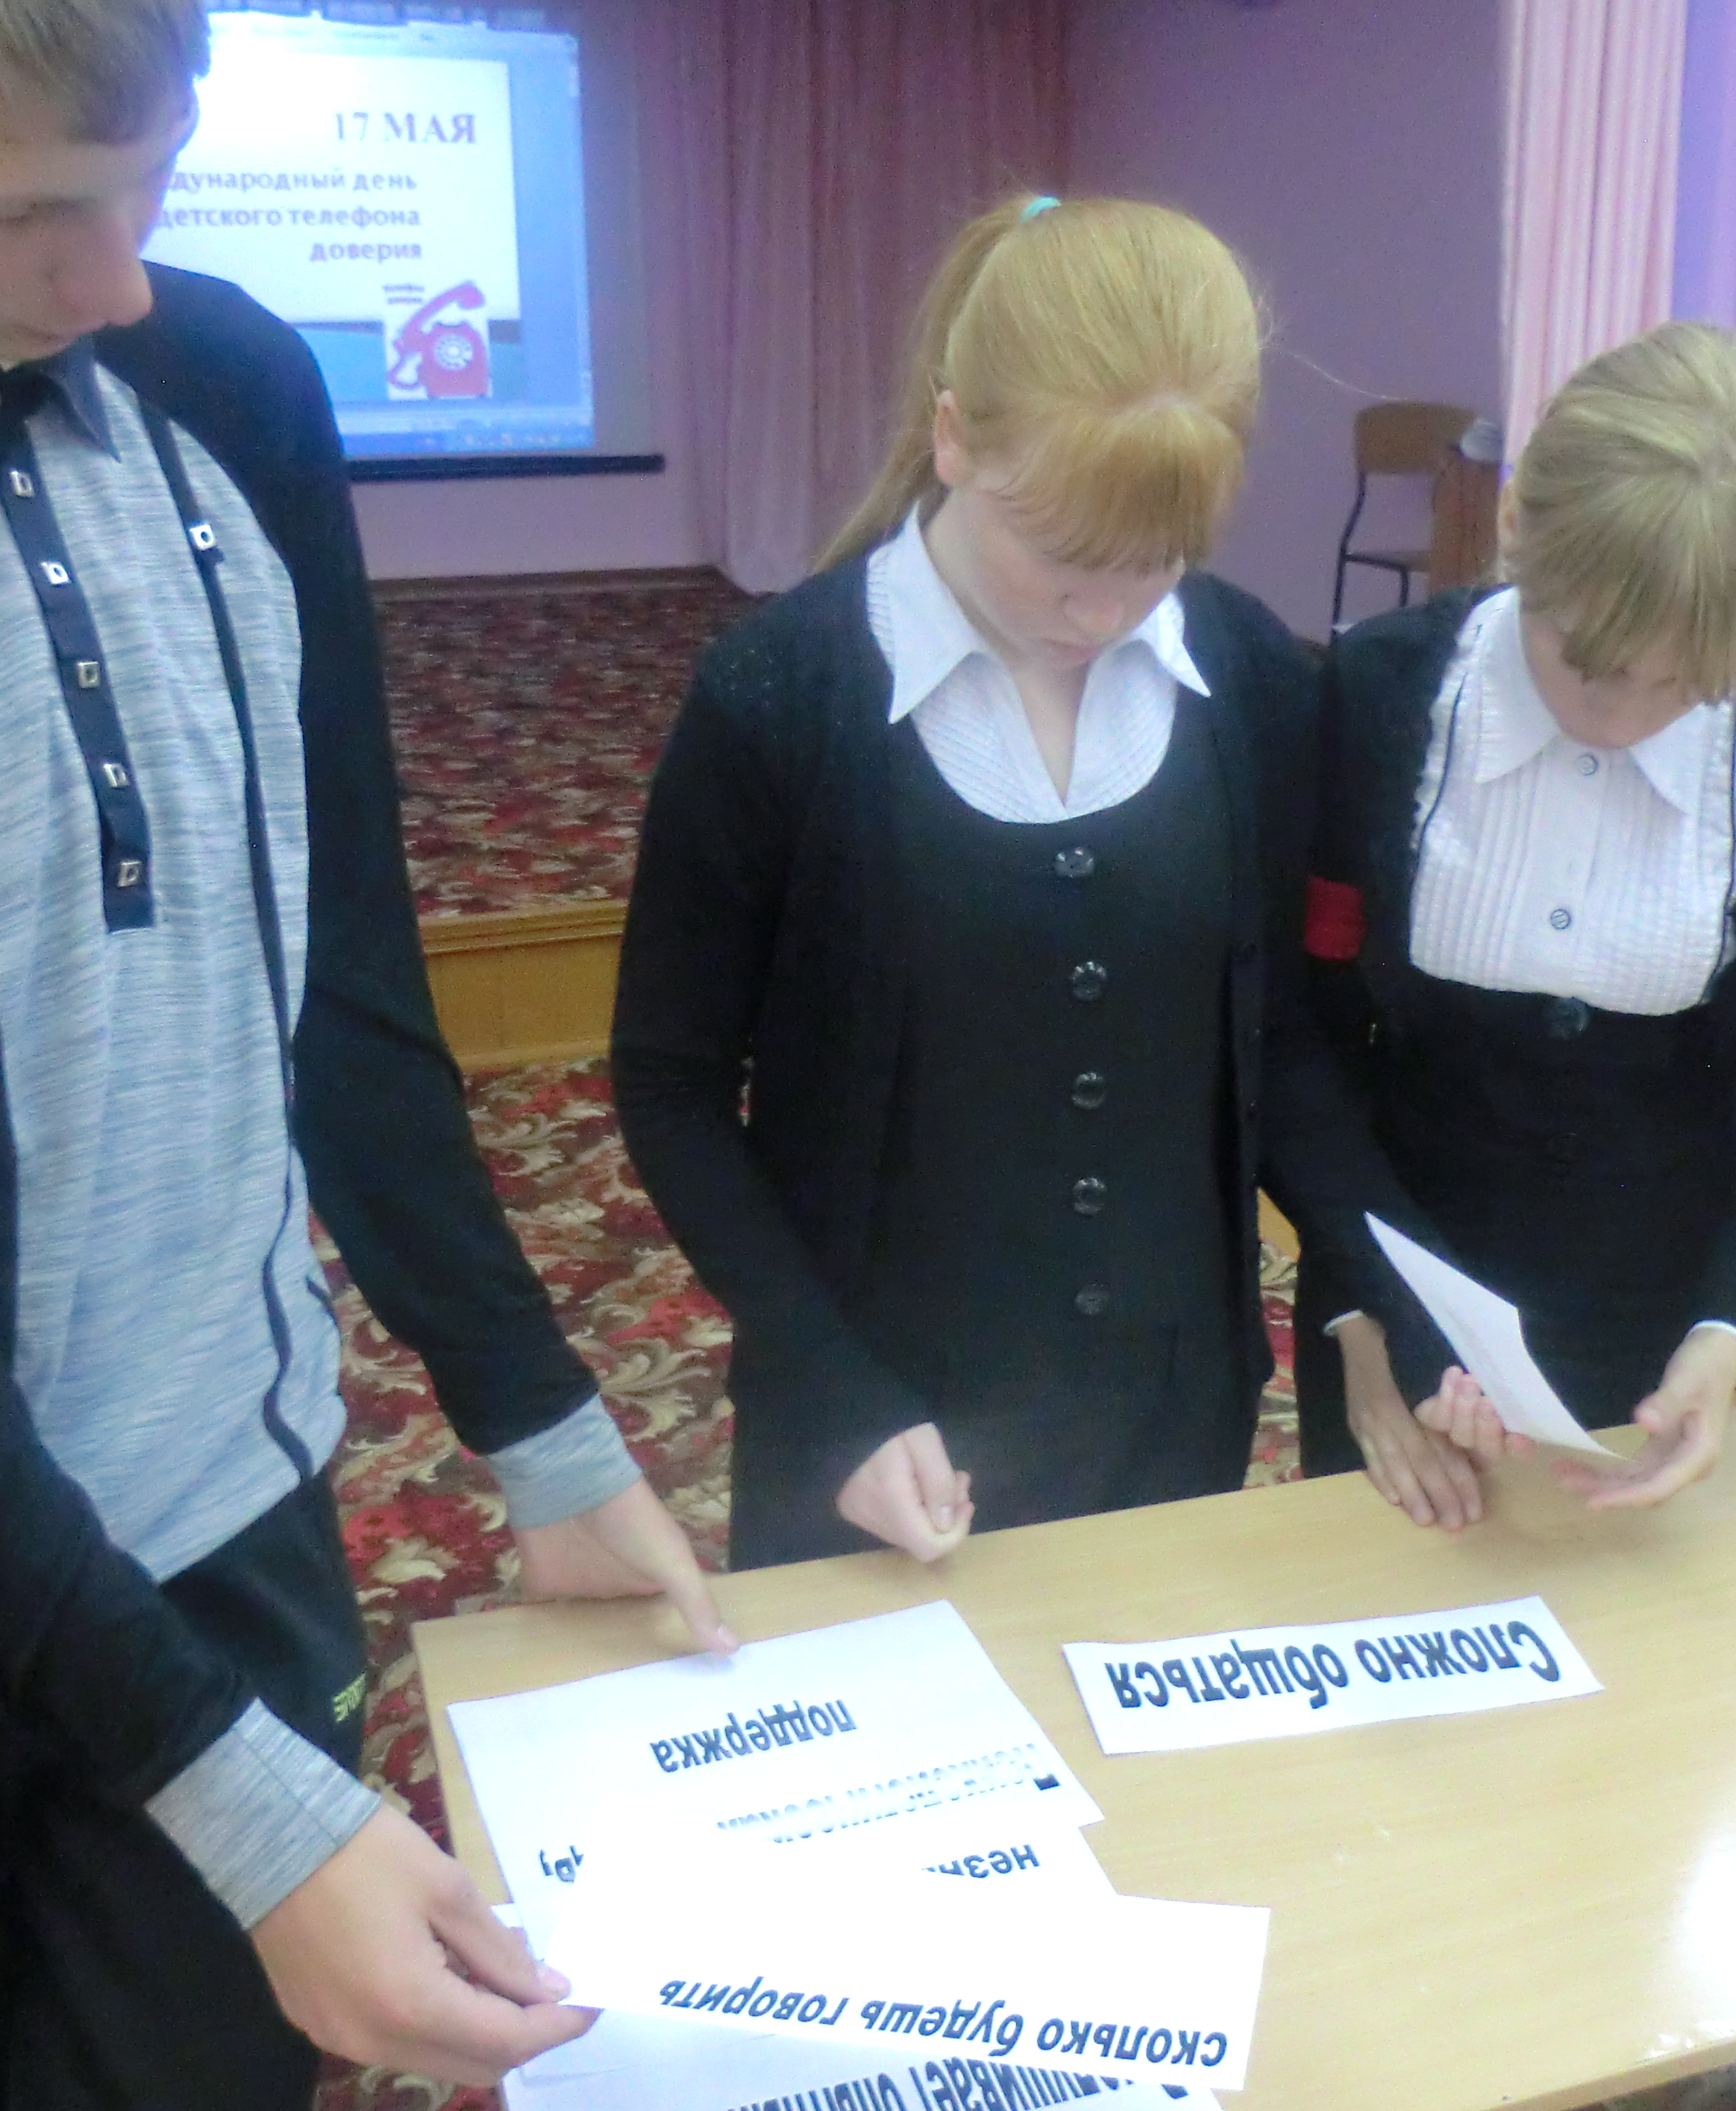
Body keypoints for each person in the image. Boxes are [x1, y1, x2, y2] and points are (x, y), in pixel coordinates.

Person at [0, 5, 731, 2104]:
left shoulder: (228, 381)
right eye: (22, 210)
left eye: (154, 181)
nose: (119, 288)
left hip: (225, 1510)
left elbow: (339, 967)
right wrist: (231, 1797)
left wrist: (535, 1417)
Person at [611, 194, 1459, 1571]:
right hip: (875, 1428)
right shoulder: (781, 696)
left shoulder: (1248, 678)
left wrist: (1393, 1292)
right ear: (954, 437)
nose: (1102, 613)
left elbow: (1280, 1043)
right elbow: (671, 1084)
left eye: (1155, 563)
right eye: (1061, 557)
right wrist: (826, 1381)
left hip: (1170, 1411)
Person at [1296, 323, 1736, 1523]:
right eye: (1586, 663)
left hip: (1658, 1329)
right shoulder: (1377, 693)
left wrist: (1727, 1338)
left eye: (1689, 681)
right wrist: (1371, 1334)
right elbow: (1300, 1045)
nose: (1625, 718)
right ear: (1515, 528)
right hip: (1390, 1282)